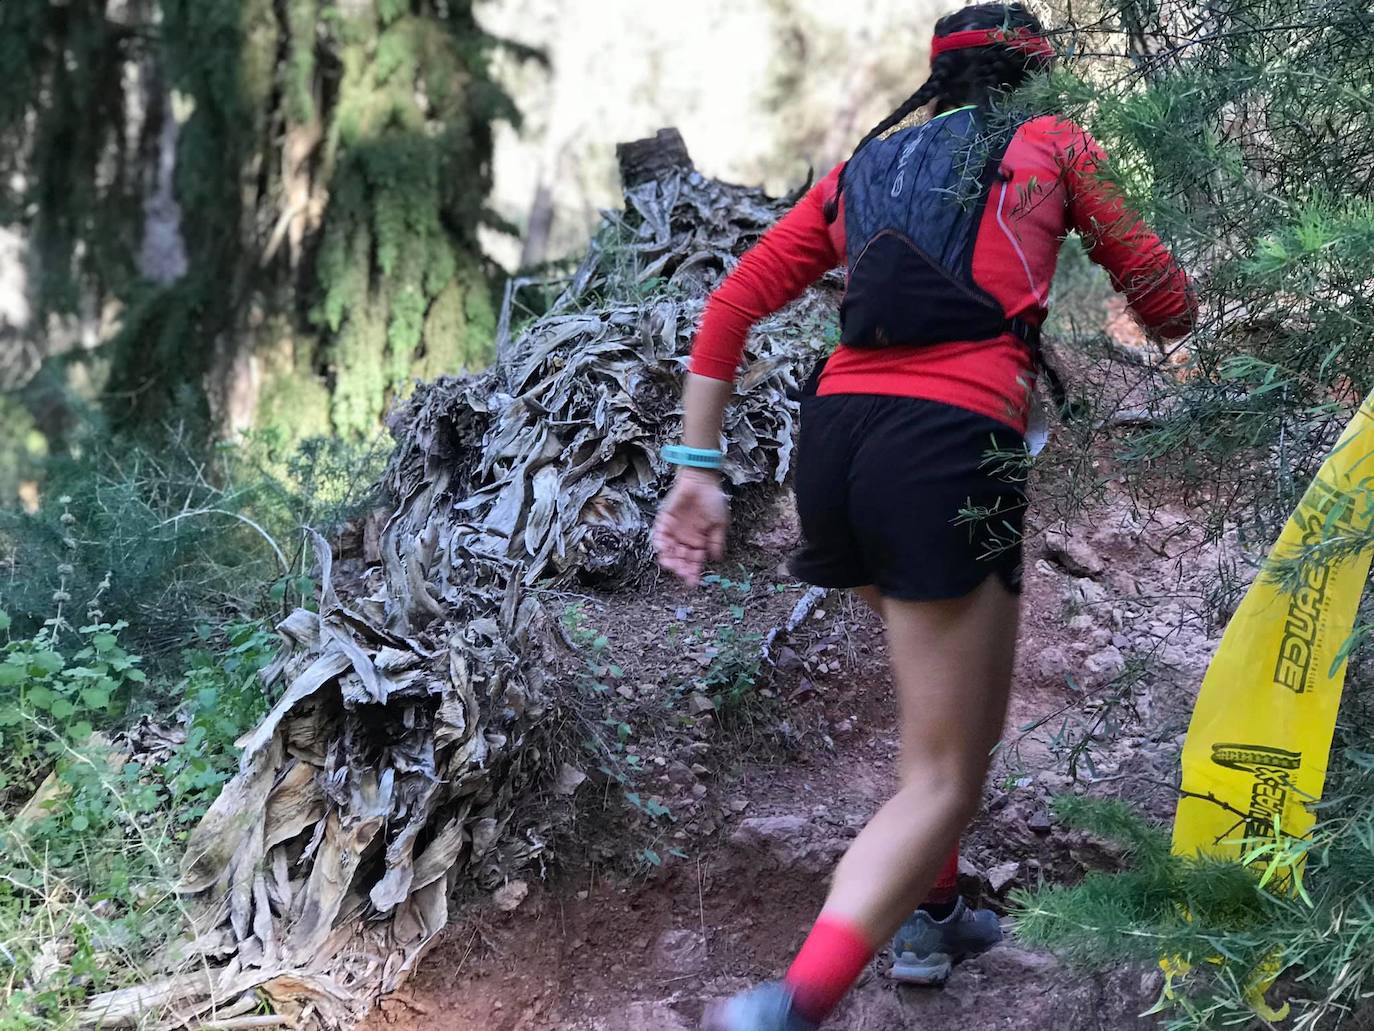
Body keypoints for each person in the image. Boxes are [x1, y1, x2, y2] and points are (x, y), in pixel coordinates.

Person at [652, 4, 1196, 1029]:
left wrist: (695, 465)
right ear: (1034, 76)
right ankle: (791, 1003)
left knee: (933, 710)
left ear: (939, 78)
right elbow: (1161, 297)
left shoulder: (866, 169)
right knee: (949, 770)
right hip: (949, 448)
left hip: (839, 443)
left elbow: (729, 304)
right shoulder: (1052, 143)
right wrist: (1179, 313)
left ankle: (933, 911)